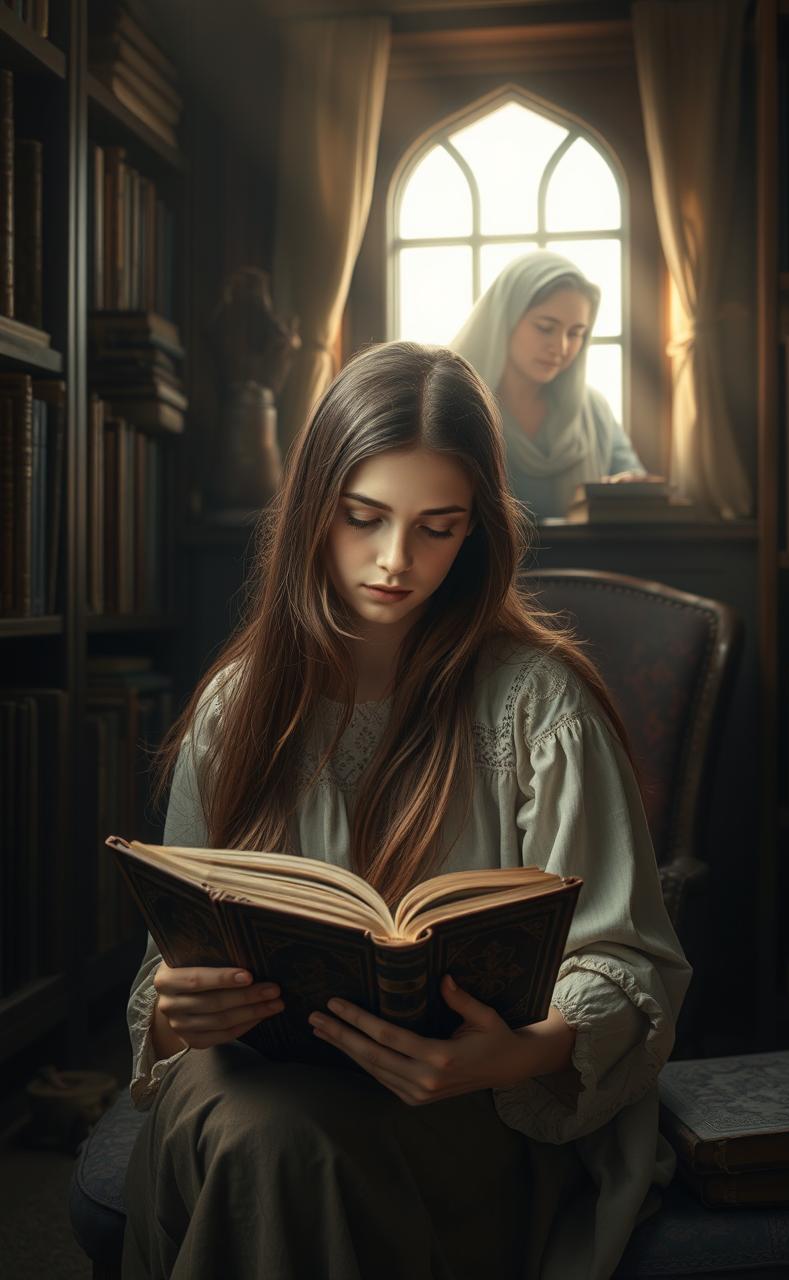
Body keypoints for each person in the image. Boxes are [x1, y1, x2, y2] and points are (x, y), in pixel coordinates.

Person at [123, 340, 690, 1280]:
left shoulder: (536, 706)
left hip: (462, 1113)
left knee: (279, 1152)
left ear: (477, 532)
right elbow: (167, 971)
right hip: (248, 1086)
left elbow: (627, 962)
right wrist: (180, 1013)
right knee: (266, 1134)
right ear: (315, 511)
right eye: (363, 518)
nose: (396, 561)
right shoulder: (239, 707)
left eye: (438, 526)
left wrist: (505, 1057)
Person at [449, 250, 645, 519]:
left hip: (586, 560)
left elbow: (637, 488)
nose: (561, 347)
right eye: (545, 327)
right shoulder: (455, 405)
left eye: (576, 333)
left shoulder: (593, 412)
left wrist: (630, 489)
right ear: (504, 320)